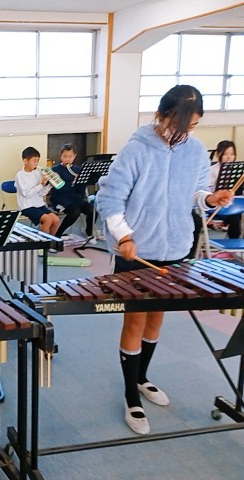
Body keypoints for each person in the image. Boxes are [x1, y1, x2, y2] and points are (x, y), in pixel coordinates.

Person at [96, 85, 233, 435]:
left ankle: (142, 378)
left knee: (157, 319)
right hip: (137, 250)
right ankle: (130, 395)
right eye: (178, 125)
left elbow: (195, 194)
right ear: (160, 115)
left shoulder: (196, 150)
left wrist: (210, 197)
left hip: (175, 250)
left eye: (193, 126)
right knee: (135, 322)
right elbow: (109, 199)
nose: (184, 133)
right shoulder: (136, 149)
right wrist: (124, 236)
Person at [49, 144, 95, 241]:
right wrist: (71, 183)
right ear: (61, 156)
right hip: (60, 200)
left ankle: (89, 233)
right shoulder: (55, 170)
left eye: (70, 157)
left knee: (92, 210)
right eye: (64, 156)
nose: (67, 159)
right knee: (75, 211)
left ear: (74, 156)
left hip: (75, 199)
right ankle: (58, 234)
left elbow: (81, 192)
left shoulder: (78, 170)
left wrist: (80, 182)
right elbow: (58, 190)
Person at [15, 146, 60, 236]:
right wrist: (41, 185)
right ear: (25, 161)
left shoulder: (37, 174)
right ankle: (40, 242)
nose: (36, 164)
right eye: (34, 161)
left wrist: (50, 184)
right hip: (27, 206)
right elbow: (27, 194)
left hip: (39, 204)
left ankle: (51, 241)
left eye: (37, 161)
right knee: (48, 220)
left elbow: (41, 193)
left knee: (56, 220)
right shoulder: (20, 175)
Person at [208, 140, 241, 239]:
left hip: (231, 205)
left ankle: (234, 244)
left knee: (236, 217)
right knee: (234, 218)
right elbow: (206, 191)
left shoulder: (236, 170)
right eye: (225, 154)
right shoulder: (211, 170)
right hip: (215, 206)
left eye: (232, 154)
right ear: (217, 154)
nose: (229, 157)